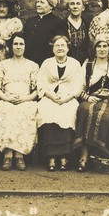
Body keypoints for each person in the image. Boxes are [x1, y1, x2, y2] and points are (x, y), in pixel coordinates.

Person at [74, 35, 109, 172]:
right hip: (92, 98)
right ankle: (83, 156)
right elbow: (79, 87)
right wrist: (87, 97)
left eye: (105, 46)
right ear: (94, 48)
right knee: (85, 110)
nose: (102, 49)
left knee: (107, 115)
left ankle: (101, 155)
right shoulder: (88, 65)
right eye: (99, 46)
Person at [0, 32, 39, 171]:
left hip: (25, 99)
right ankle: (7, 155)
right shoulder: (3, 65)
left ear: (25, 46)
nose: (18, 47)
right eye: (16, 44)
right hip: (6, 98)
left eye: (21, 44)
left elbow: (36, 90)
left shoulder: (33, 65)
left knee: (25, 111)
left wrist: (26, 98)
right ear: (11, 47)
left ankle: (19, 155)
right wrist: (7, 98)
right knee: (6, 110)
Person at [36, 35, 83, 171]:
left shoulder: (75, 64)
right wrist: (51, 95)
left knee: (68, 113)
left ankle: (64, 157)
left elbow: (79, 85)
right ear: (53, 49)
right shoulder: (47, 63)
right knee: (46, 112)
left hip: (68, 98)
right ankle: (50, 157)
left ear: (68, 48)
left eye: (63, 45)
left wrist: (67, 98)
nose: (60, 48)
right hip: (50, 97)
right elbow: (41, 82)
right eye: (57, 45)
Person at [23, 0, 66, 66]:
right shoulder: (29, 21)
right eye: (38, 2)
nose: (38, 5)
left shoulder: (58, 22)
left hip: (49, 64)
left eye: (42, 2)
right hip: (29, 63)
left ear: (51, 6)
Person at [61, 0, 91, 65]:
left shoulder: (88, 24)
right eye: (72, 4)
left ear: (83, 8)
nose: (75, 6)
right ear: (68, 8)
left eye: (78, 3)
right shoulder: (61, 24)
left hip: (84, 63)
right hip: (66, 63)